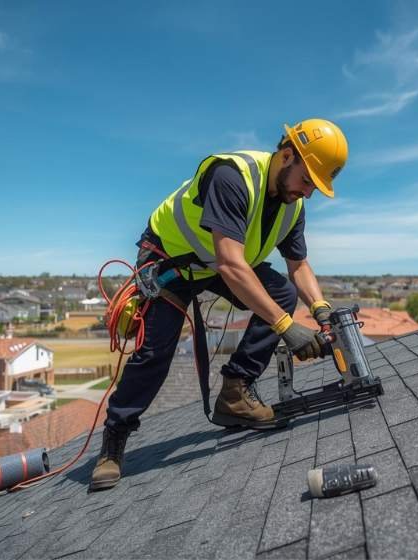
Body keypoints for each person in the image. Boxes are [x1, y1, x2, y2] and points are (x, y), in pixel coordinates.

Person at [90, 118, 349, 491]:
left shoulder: (293, 206)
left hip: (220, 262)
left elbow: (299, 266)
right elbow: (230, 264)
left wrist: (321, 308)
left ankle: (235, 393)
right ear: (287, 155)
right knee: (155, 353)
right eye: (307, 180)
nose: (308, 192)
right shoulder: (233, 176)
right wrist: (286, 328)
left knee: (282, 294)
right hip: (171, 262)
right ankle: (113, 441)